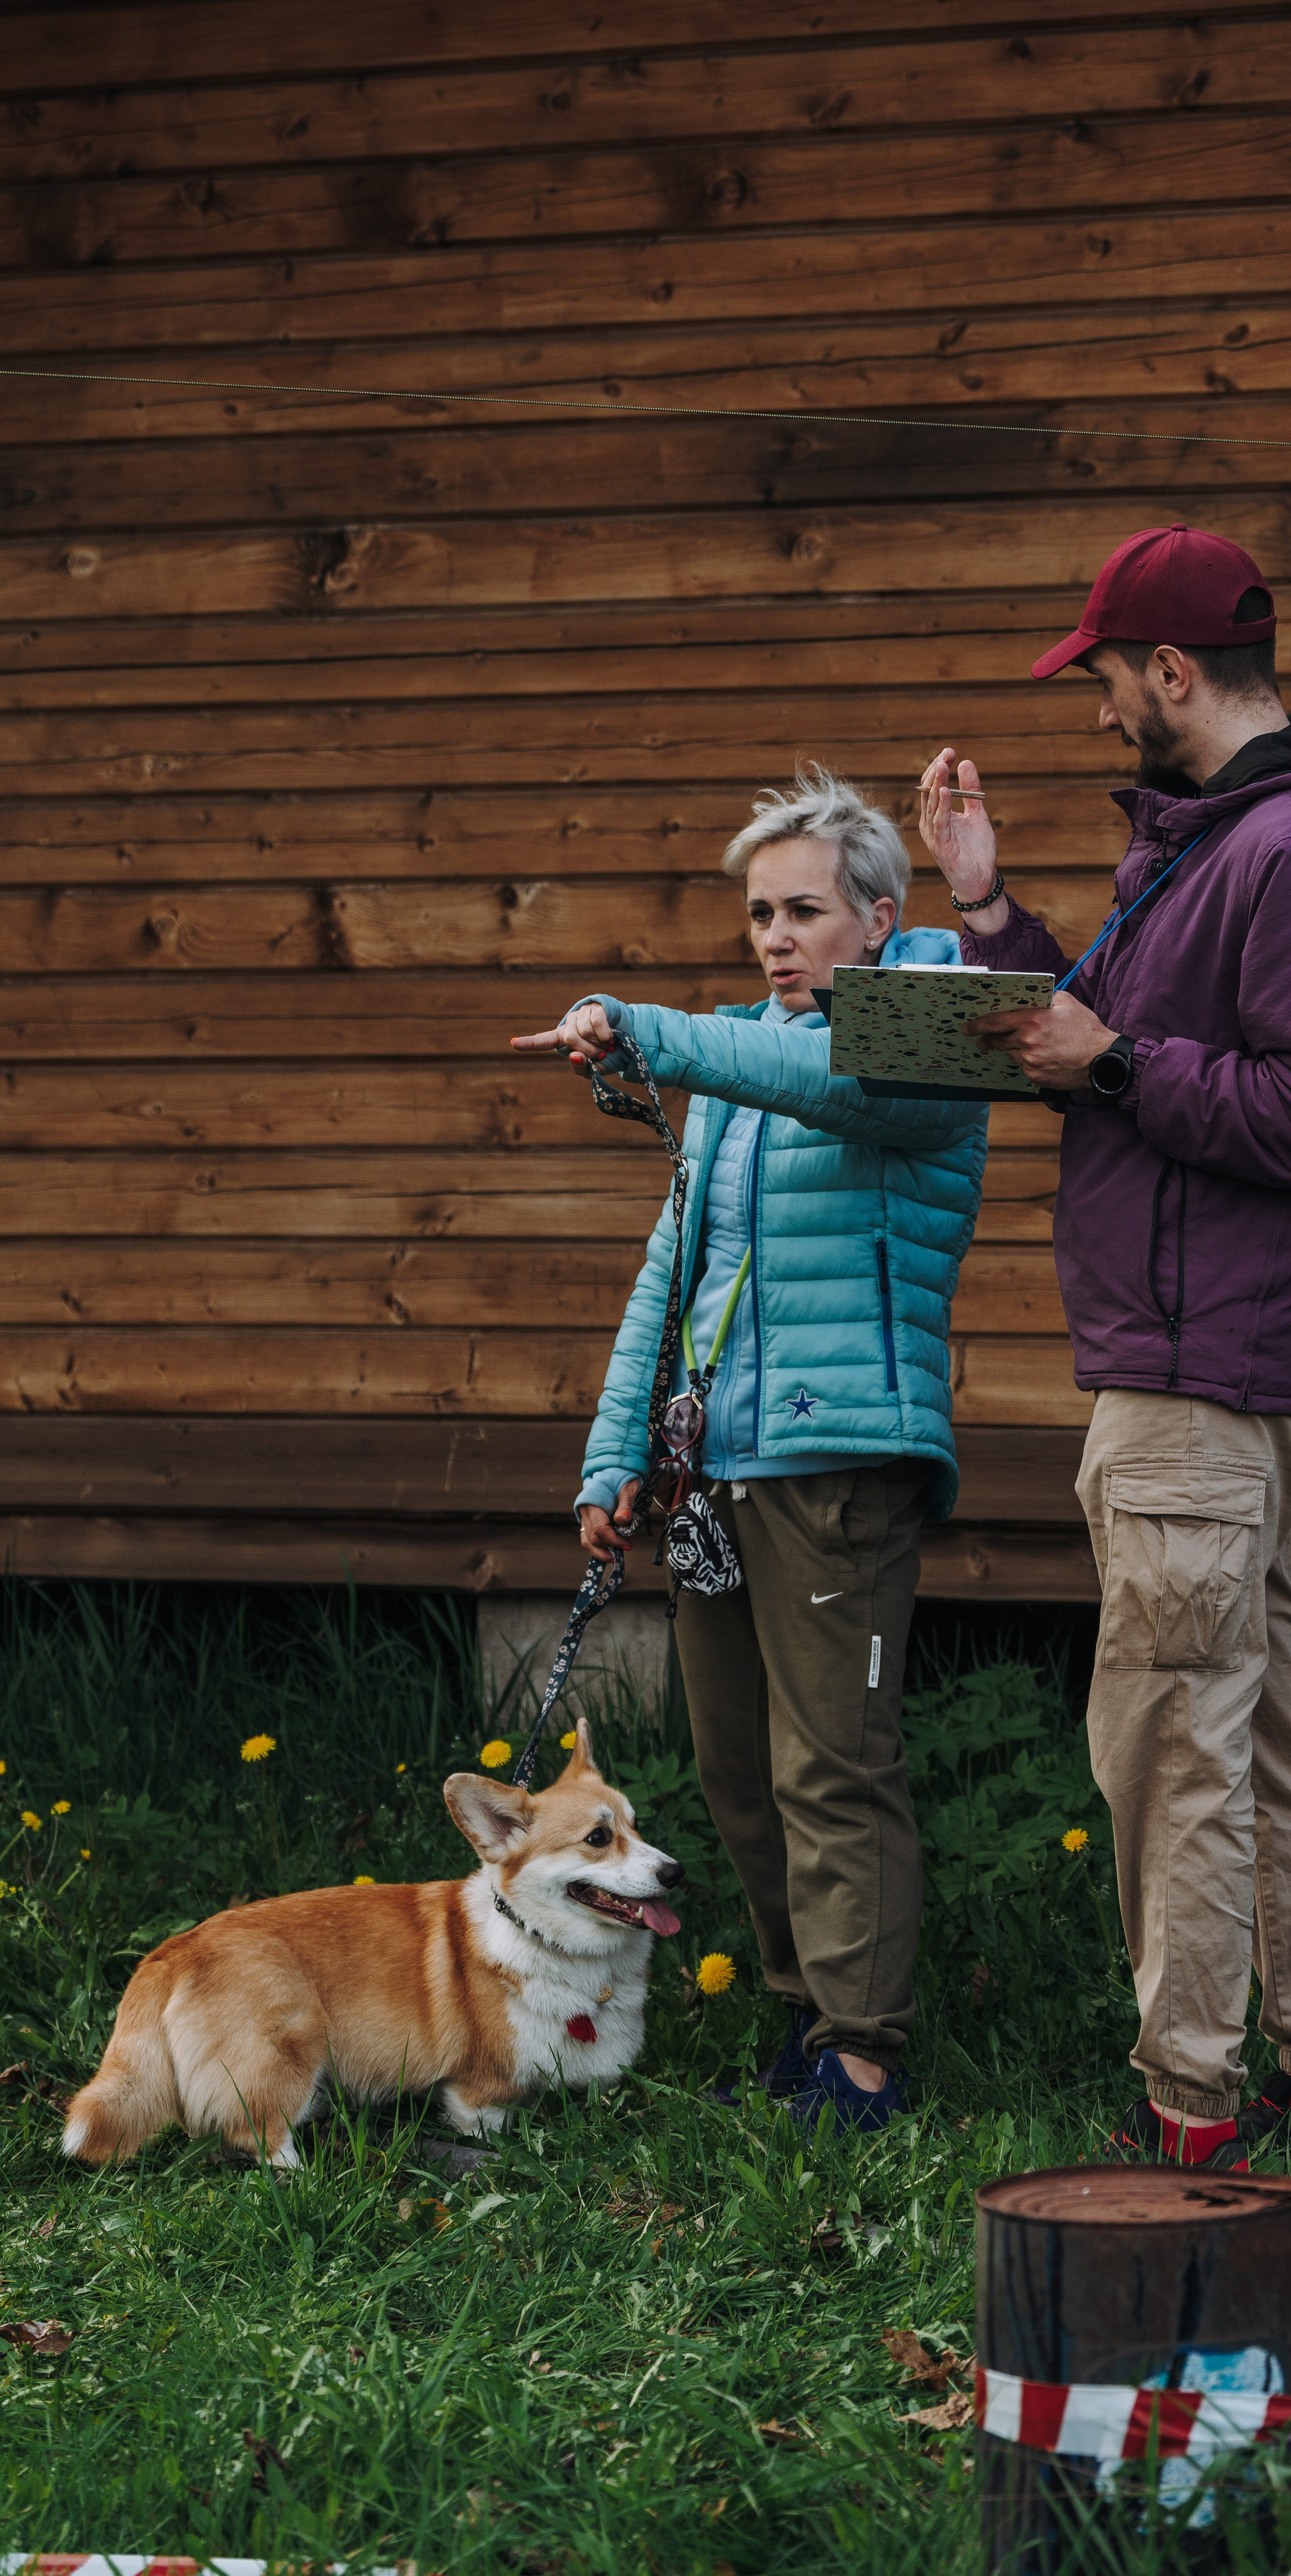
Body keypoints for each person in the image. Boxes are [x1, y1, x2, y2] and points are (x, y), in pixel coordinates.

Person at [917, 524, 1291, 2177]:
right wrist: (986, 907)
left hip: (1205, 1375)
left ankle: (1187, 2118)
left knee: (1170, 1754)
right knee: (1257, 1730)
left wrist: (1119, 1065)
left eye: (1109, 673)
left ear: (1176, 673)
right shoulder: (1208, 843)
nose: (1099, 703)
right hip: (1204, 1363)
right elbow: (1080, 1033)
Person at [511, 766, 988, 2133]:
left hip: (842, 1458)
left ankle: (864, 2052)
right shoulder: (732, 1055)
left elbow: (820, 1070)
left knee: (830, 1762)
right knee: (736, 1765)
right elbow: (672, 1272)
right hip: (714, 1469)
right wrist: (614, 1458)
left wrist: (646, 1029)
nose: (775, 938)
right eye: (758, 917)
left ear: (881, 920)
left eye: (802, 911)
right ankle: (802, 2015)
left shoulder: (930, 1024)